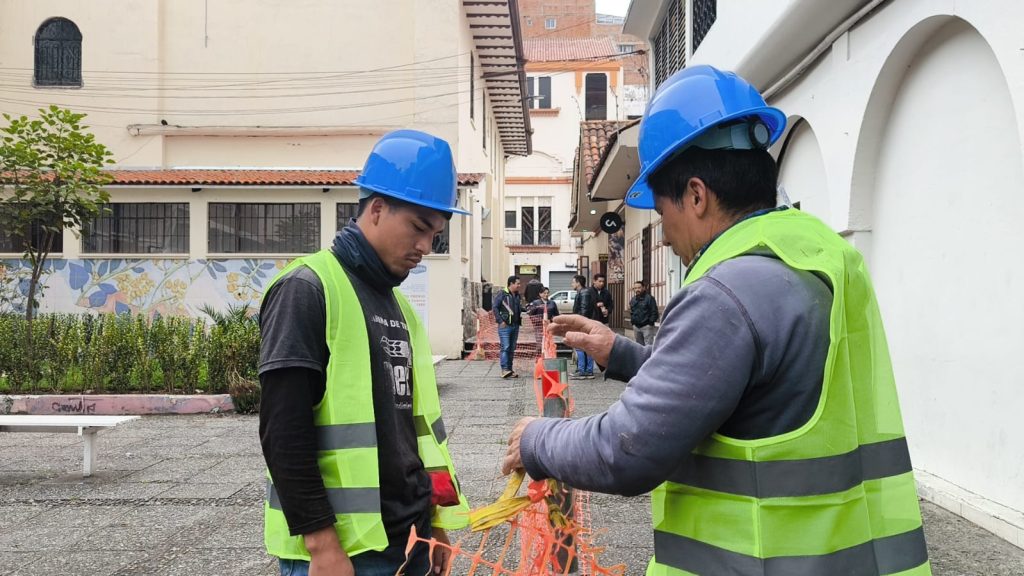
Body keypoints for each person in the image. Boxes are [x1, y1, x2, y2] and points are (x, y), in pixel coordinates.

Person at [502, 65, 930, 575]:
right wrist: (619, 353)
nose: (664, 236)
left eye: (663, 216)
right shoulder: (820, 262)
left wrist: (536, 439)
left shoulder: (726, 294)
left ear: (698, 195)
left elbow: (627, 448)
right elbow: (746, 389)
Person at [259, 129, 470, 576]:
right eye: (418, 228)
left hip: (410, 539)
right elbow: (283, 431)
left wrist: (435, 526)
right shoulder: (307, 289)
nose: (425, 247)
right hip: (345, 554)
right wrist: (322, 546)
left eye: (435, 234)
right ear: (376, 208)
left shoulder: (401, 308)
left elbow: (417, 436)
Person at [493, 275, 522, 379]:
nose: (519, 285)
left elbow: (518, 308)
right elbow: (495, 307)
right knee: (505, 347)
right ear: (511, 284)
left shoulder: (517, 295)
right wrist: (500, 321)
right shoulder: (502, 294)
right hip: (505, 326)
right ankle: (504, 369)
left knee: (511, 349)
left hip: (515, 325)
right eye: (517, 283)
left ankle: (509, 370)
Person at [569, 274, 594, 379]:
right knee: (587, 347)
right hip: (586, 324)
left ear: (578, 283)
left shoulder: (583, 293)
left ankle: (582, 371)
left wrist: (579, 324)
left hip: (583, 324)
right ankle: (588, 371)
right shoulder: (584, 292)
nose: (572, 284)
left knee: (580, 347)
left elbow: (584, 310)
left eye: (573, 282)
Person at [628, 280, 659, 345]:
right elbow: (631, 311)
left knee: (648, 346)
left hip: (646, 326)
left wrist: (650, 322)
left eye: (639, 287)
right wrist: (633, 322)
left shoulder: (649, 298)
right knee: (639, 346)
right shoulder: (633, 299)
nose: (637, 290)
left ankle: (649, 355)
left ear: (643, 288)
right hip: (636, 327)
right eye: (635, 288)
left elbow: (654, 312)